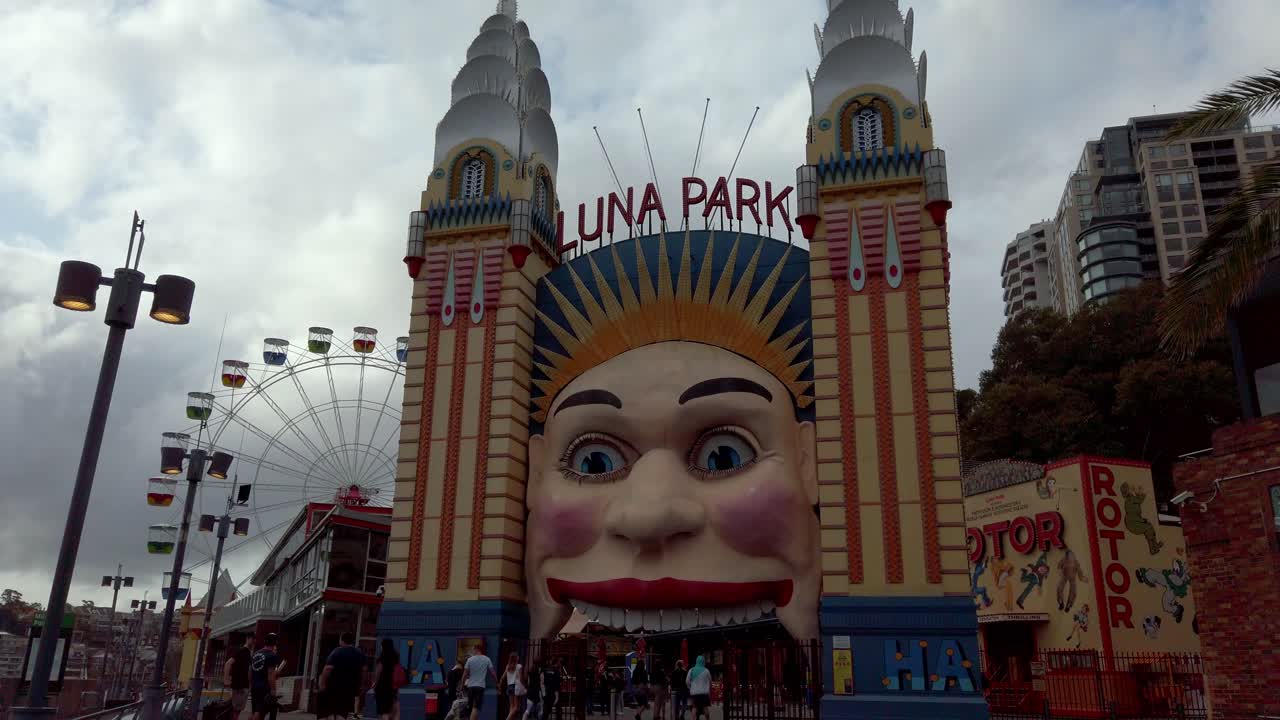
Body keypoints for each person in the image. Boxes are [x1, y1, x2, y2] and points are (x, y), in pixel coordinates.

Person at [320, 632, 367, 720]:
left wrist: (322, 684)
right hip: (350, 687)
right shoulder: (359, 653)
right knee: (342, 711)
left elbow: (327, 669)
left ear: (342, 640)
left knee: (331, 711)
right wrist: (362, 684)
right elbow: (364, 670)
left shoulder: (337, 652)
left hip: (334, 686)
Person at [249, 634, 282, 720]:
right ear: (275, 643)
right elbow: (271, 674)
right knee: (259, 713)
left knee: (255, 711)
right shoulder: (272, 655)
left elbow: (250, 671)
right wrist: (273, 690)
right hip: (264, 688)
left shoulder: (256, 654)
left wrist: (251, 684)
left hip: (254, 687)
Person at [464, 645, 497, 720]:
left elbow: (465, 674)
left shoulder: (470, 660)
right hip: (480, 686)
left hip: (470, 686)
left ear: (476, 649)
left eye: (473, 650)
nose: (472, 652)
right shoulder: (487, 659)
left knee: (470, 706)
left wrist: (462, 684)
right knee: (476, 707)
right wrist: (497, 682)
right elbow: (492, 672)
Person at [224, 636, 254, 720]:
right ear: (248, 638)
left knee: (237, 709)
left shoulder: (247, 652)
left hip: (242, 684)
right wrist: (226, 680)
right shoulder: (242, 651)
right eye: (253, 639)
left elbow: (248, 670)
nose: (254, 641)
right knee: (236, 709)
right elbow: (228, 664)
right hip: (240, 685)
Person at [375, 638, 403, 720]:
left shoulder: (382, 656)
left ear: (383, 646)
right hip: (393, 685)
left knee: (384, 711)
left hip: (382, 685)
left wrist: (375, 683)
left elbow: (378, 672)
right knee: (394, 707)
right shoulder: (396, 656)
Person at [504, 653, 527, 720]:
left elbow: (504, 676)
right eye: (518, 657)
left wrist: (500, 682)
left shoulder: (508, 666)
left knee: (511, 707)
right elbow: (520, 678)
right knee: (516, 707)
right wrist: (524, 685)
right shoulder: (519, 666)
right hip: (515, 686)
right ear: (516, 658)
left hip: (509, 686)